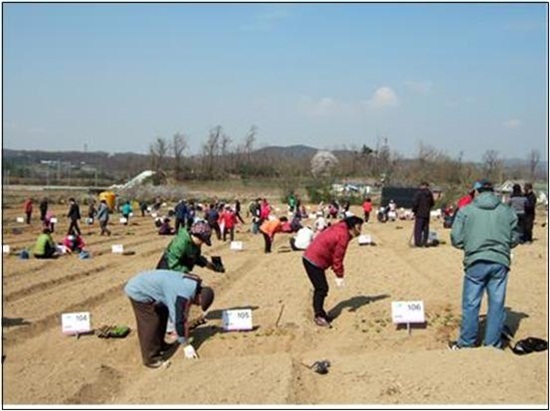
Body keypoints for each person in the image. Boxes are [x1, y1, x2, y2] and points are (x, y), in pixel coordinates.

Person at [449, 179, 519, 350]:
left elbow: (456, 238)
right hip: (500, 262)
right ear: (494, 192)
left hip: (475, 261)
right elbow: (515, 238)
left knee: (471, 303)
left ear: (476, 192)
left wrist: (470, 245)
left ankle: (466, 343)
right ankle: (492, 344)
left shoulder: (466, 211)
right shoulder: (507, 211)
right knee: (497, 304)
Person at [124, 270, 215, 368]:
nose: (197, 304)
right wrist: (186, 344)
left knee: (163, 312)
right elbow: (179, 319)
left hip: (150, 286)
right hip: (138, 290)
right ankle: (151, 359)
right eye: (199, 303)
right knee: (151, 322)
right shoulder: (183, 295)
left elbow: (182, 312)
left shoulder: (192, 284)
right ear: (199, 296)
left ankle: (160, 345)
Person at [302, 216, 364, 327]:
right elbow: (338, 258)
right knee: (321, 288)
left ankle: (321, 313)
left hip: (312, 257)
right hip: (313, 260)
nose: (360, 230)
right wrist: (339, 275)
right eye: (359, 227)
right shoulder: (343, 235)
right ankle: (318, 316)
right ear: (353, 226)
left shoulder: (340, 228)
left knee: (321, 287)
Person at [156, 220, 222, 274]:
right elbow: (173, 264)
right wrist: (187, 274)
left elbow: (195, 257)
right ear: (197, 237)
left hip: (179, 269)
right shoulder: (180, 243)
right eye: (203, 241)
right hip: (167, 269)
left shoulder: (195, 244)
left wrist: (208, 264)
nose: (202, 243)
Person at [412, 181, 435, 247]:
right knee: (426, 228)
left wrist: (414, 211)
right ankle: (424, 242)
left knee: (418, 229)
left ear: (422, 186)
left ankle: (418, 243)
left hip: (419, 213)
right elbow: (432, 203)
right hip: (427, 213)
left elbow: (415, 203)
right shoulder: (430, 194)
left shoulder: (418, 193)